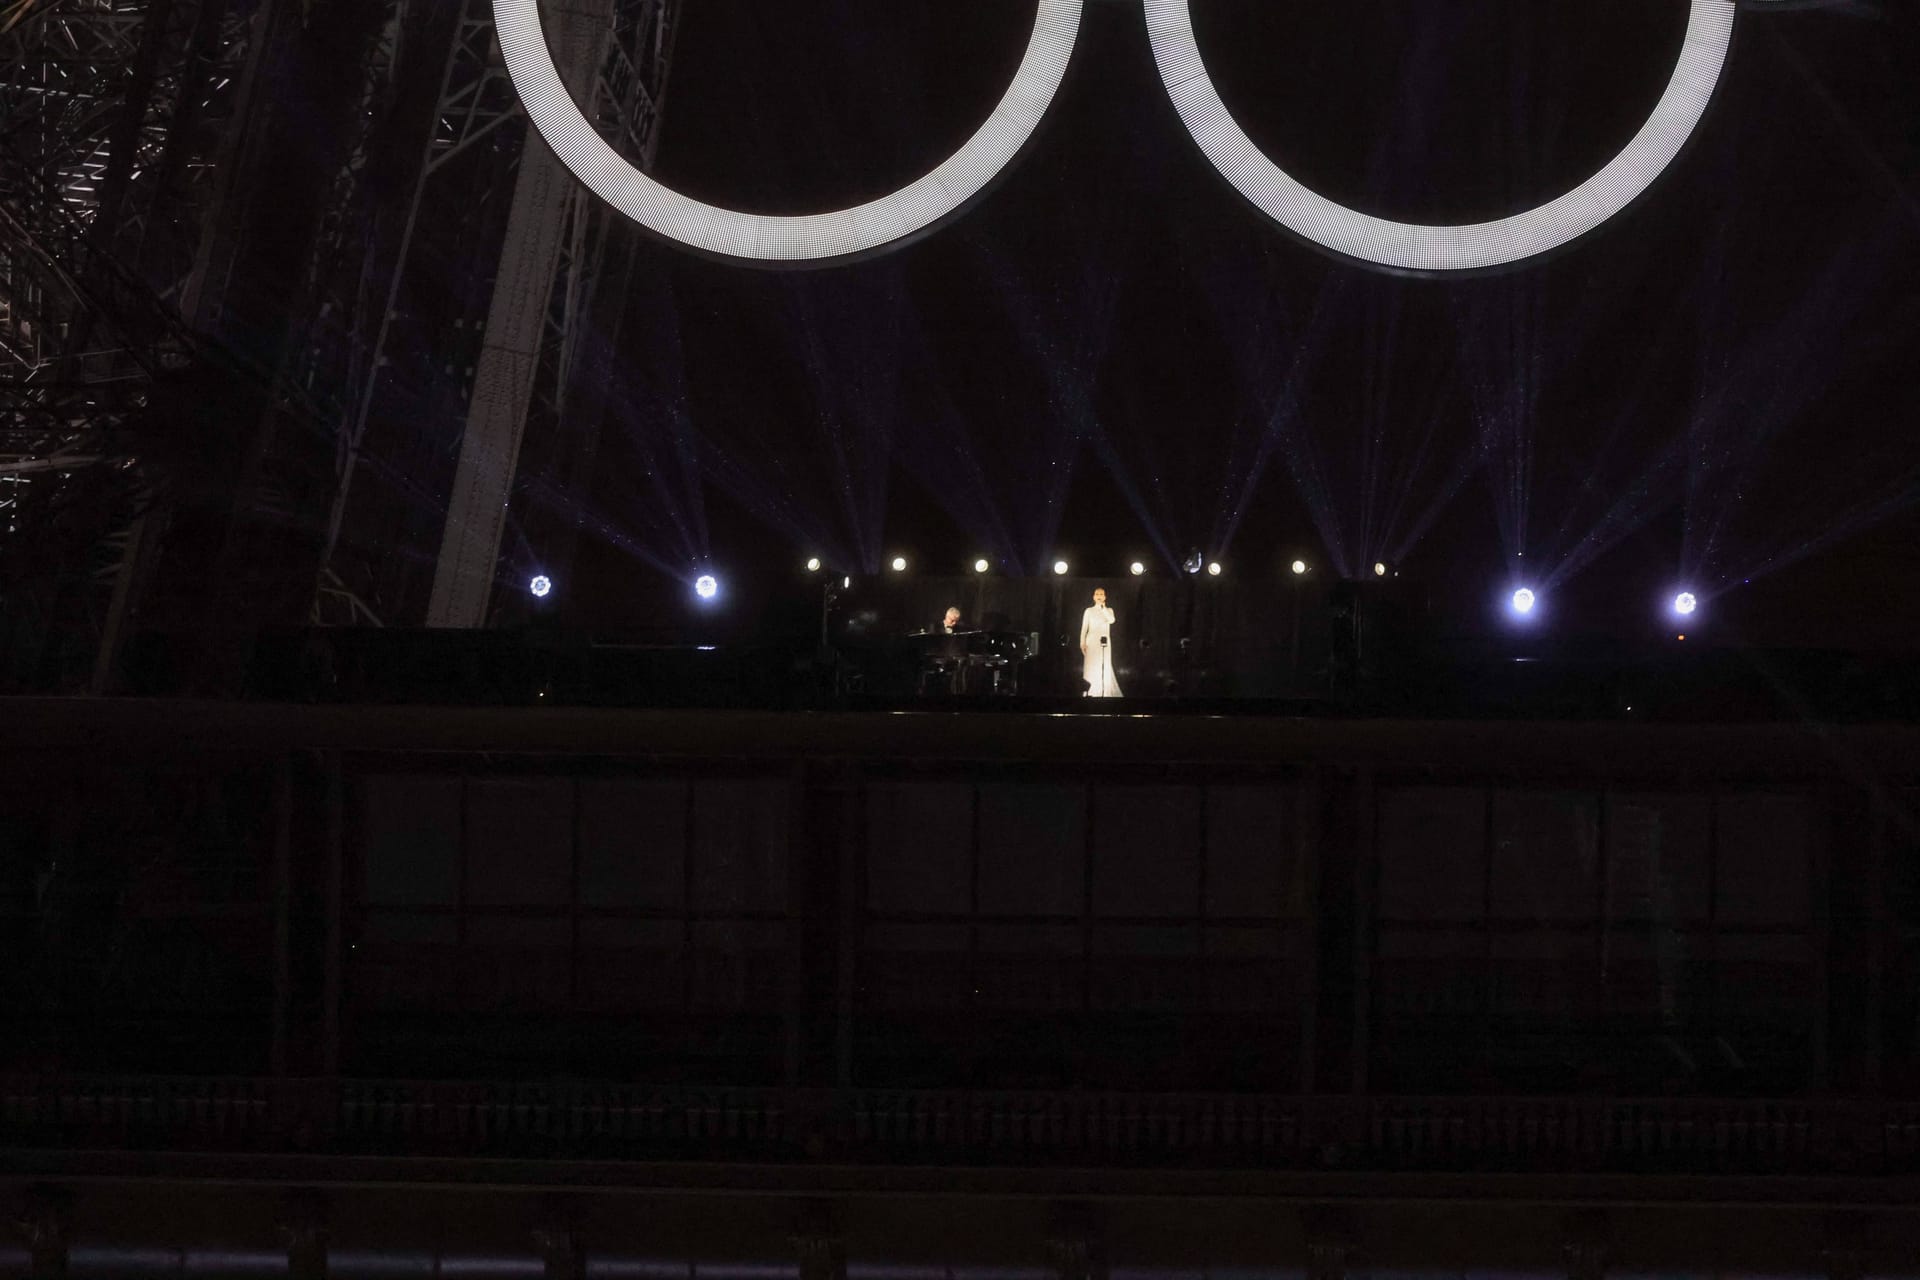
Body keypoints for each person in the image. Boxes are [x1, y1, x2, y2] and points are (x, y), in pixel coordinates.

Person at [1078, 587, 1122, 697]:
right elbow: (1084, 628)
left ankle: (1105, 692)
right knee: (1091, 665)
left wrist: (1103, 608)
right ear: (1093, 597)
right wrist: (1082, 643)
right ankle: (1090, 692)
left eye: (1101, 594)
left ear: (1105, 597)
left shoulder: (1109, 610)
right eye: (1097, 594)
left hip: (1104, 642)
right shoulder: (1088, 611)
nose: (1099, 595)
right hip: (1091, 641)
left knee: (1104, 664)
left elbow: (1112, 620)